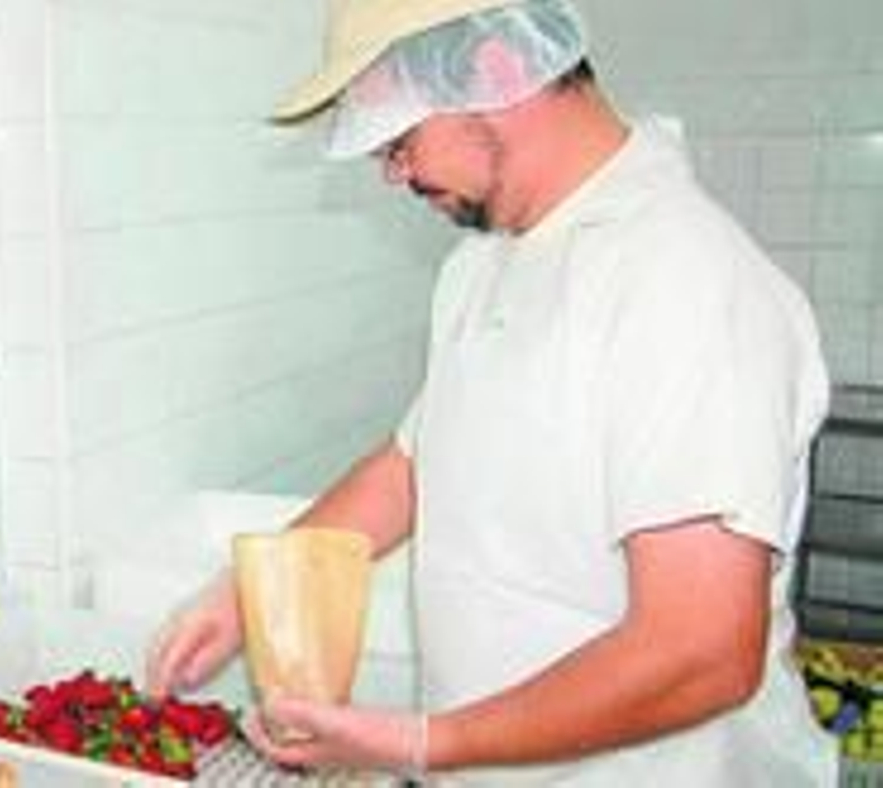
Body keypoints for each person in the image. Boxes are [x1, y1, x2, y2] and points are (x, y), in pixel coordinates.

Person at [145, 0, 840, 783]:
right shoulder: (486, 262)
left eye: (401, 139)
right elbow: (415, 464)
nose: (394, 173)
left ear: (497, 69)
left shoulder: (684, 283)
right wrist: (252, 589)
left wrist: (422, 744)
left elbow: (701, 650)